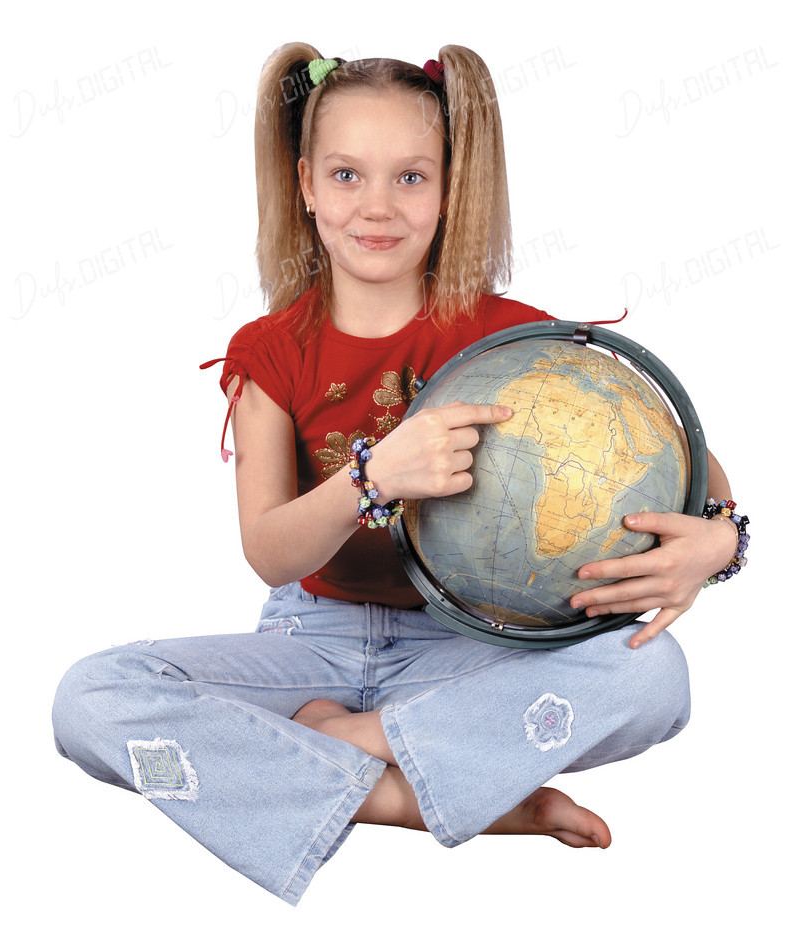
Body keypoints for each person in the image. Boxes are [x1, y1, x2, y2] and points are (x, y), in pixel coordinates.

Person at [52, 44, 745, 906]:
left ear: (451, 188)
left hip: (465, 655)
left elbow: (680, 454)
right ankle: (435, 797)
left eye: (410, 178)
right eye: (346, 175)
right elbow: (269, 552)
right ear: (304, 183)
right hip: (309, 645)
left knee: (655, 676)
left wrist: (719, 537)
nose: (375, 206)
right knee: (91, 701)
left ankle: (351, 742)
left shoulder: (507, 338)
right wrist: (376, 476)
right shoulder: (272, 351)